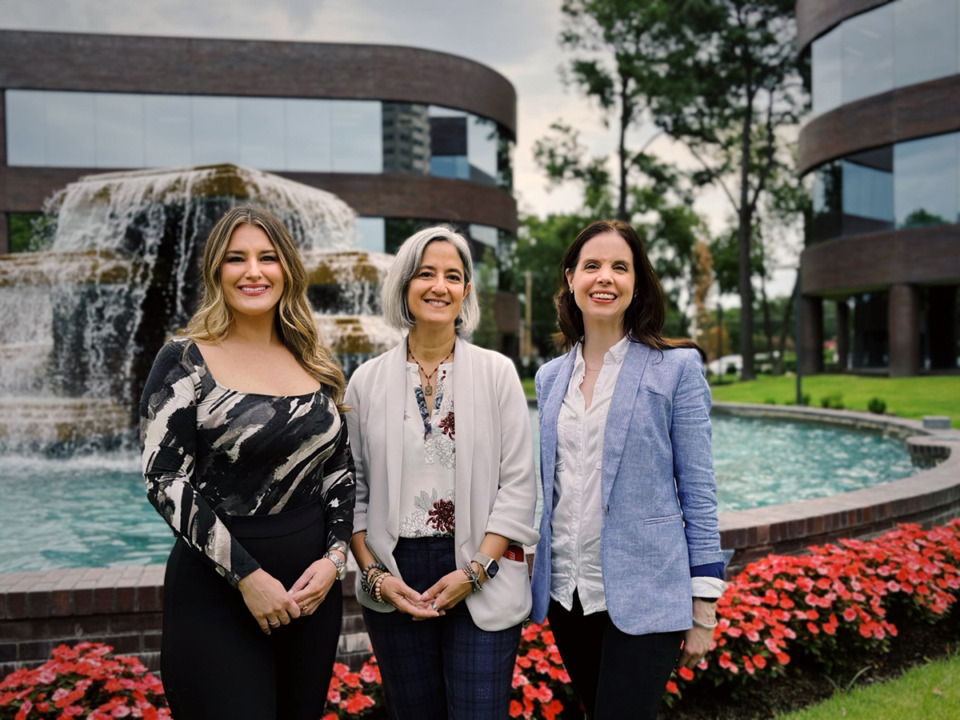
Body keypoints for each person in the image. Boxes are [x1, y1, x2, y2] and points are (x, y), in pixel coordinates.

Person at [139, 205, 354, 720]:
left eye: (268, 258)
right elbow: (163, 479)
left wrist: (334, 561)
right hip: (219, 595)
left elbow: (340, 472)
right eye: (237, 259)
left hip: (311, 598)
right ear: (217, 270)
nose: (253, 271)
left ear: (288, 271)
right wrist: (248, 578)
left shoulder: (315, 360)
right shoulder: (184, 358)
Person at [530, 219, 727, 720]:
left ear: (636, 283)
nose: (605, 277)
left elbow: (699, 490)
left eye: (620, 267)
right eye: (592, 265)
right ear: (570, 278)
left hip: (647, 593)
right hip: (568, 596)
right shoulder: (550, 378)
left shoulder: (677, 368)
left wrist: (703, 603)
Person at [345, 225, 539, 720]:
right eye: (426, 274)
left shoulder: (497, 374)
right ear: (405, 285)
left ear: (466, 291)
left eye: (453, 276)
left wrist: (474, 572)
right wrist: (374, 576)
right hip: (395, 577)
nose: (439, 286)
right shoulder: (365, 381)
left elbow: (519, 485)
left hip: (480, 568)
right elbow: (353, 490)